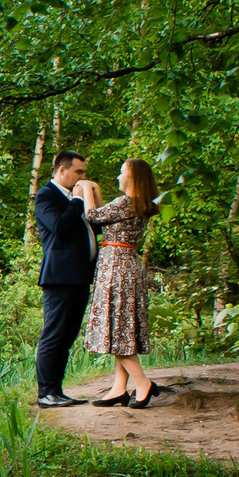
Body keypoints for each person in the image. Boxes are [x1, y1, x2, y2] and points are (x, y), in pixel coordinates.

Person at [82, 157, 163, 408]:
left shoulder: (126, 202)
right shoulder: (136, 204)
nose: (118, 177)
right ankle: (119, 388)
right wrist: (94, 190)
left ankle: (142, 383)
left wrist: (86, 188)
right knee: (122, 326)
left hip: (117, 267)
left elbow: (92, 216)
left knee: (118, 329)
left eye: (121, 173)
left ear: (133, 178)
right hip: (126, 265)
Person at [32, 151, 94, 408]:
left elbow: (95, 226)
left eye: (83, 173)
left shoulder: (71, 198)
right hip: (59, 277)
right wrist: (78, 200)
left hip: (80, 276)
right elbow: (59, 226)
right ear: (61, 171)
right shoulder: (46, 195)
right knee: (53, 335)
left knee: (67, 336)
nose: (82, 177)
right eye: (78, 172)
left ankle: (57, 391)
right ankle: (46, 392)